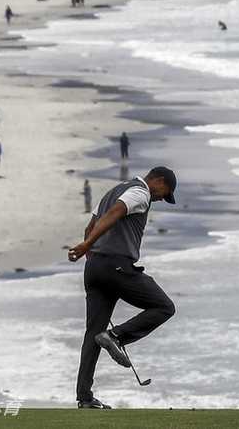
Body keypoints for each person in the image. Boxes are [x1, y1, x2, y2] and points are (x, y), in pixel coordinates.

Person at [68, 167, 179, 409]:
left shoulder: (113, 191)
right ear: (158, 180)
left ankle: (84, 397)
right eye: (165, 193)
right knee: (164, 307)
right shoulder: (140, 193)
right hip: (116, 266)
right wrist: (87, 245)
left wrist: (91, 252)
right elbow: (115, 213)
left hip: (95, 268)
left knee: (93, 334)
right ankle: (115, 336)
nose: (161, 198)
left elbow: (90, 226)